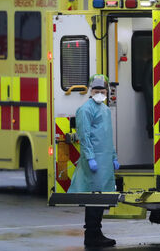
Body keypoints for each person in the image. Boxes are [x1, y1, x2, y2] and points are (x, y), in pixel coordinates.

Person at [68, 74, 119, 248]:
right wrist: (90, 157)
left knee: (102, 197)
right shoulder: (85, 110)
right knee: (94, 198)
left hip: (105, 161)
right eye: (96, 90)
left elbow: (108, 136)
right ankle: (91, 233)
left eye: (102, 91)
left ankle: (97, 232)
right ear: (91, 91)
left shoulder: (105, 110)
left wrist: (113, 157)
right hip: (94, 160)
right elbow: (84, 136)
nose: (100, 94)